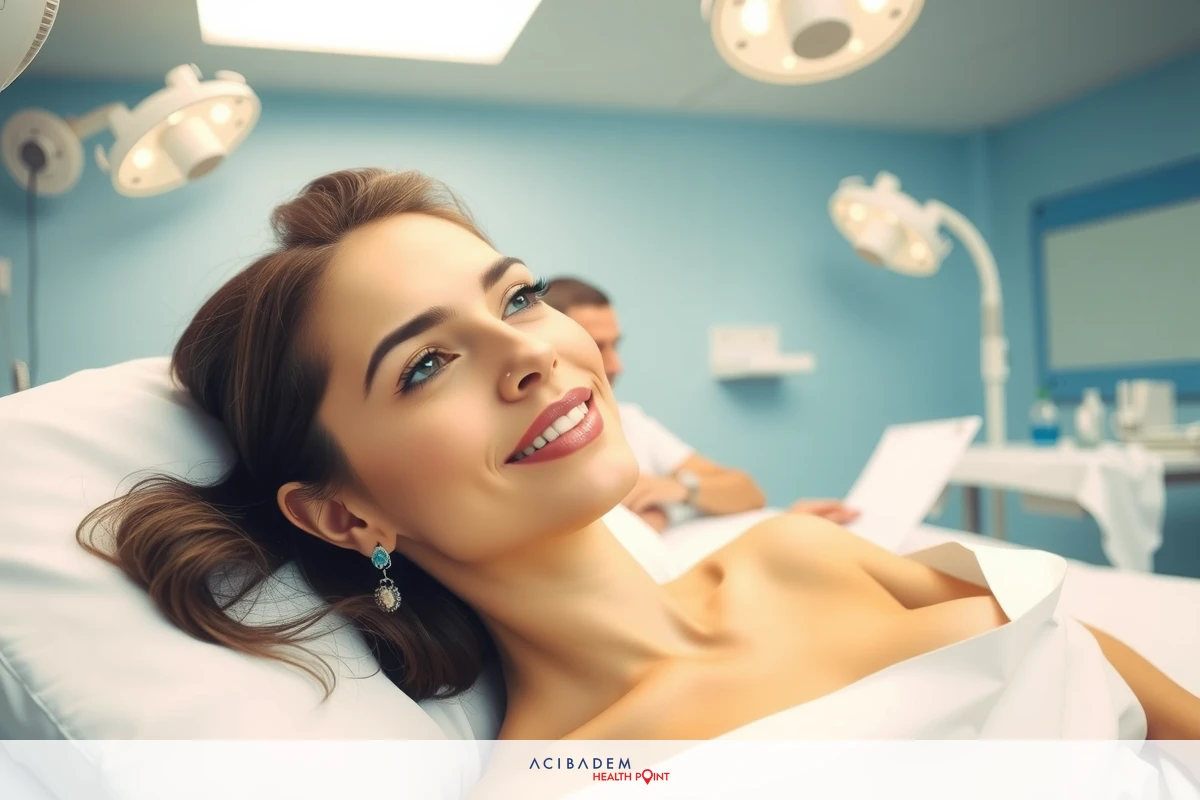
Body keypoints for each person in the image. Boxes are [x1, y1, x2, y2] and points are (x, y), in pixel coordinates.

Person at [76, 169, 1198, 742]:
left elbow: (1146, 701)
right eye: (424, 365)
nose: (531, 353)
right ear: (345, 514)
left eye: (516, 296)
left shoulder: (801, 553)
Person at [541, 277, 858, 532]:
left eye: (615, 345)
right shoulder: (537, 443)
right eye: (597, 347)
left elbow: (748, 492)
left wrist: (678, 489)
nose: (616, 364)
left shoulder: (630, 421)